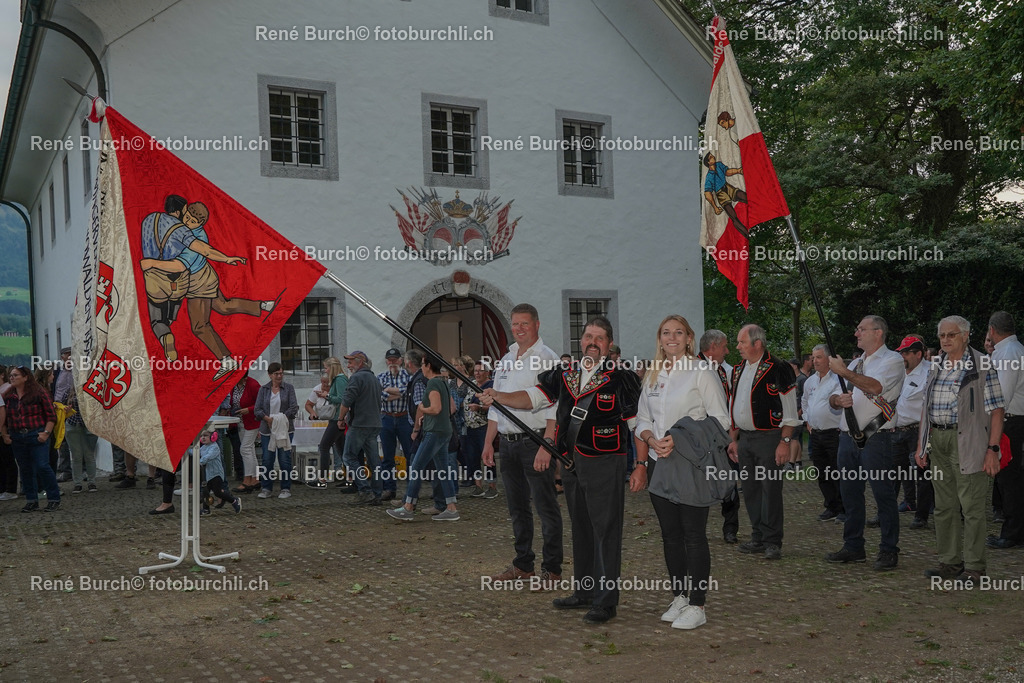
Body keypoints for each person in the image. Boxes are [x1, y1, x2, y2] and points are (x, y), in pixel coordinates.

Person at [481, 316, 642, 624]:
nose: (592, 342)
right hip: (571, 463)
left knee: (605, 532)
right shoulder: (564, 373)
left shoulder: (622, 378)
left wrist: (641, 465)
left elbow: (636, 423)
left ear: (608, 345)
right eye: (588, 337)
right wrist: (498, 396)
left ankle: (606, 602)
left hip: (606, 462)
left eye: (599, 338)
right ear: (581, 342)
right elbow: (533, 398)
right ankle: (584, 591)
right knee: (581, 528)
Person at [630, 315, 730, 630]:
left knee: (694, 535)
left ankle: (698, 605)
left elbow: (722, 420)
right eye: (665, 333)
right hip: (660, 464)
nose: (671, 337)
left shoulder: (701, 372)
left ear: (689, 338)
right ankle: (680, 597)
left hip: (692, 464)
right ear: (659, 339)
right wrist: (649, 440)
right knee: (670, 536)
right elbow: (642, 418)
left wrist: (680, 438)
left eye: (678, 332)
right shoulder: (652, 374)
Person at [139, 199, 274, 380]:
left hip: (198, 284)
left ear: (200, 224)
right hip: (205, 277)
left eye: (193, 221)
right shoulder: (183, 229)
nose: (187, 222)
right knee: (224, 306)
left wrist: (151, 263)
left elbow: (182, 265)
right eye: (186, 217)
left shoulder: (195, 237)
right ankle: (264, 305)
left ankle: (226, 360)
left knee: (200, 326)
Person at [480, 304, 562, 588]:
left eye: (524, 324)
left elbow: (555, 405)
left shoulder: (548, 359)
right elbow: (495, 405)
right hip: (509, 443)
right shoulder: (505, 359)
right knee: (517, 509)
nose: (519, 329)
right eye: (515, 324)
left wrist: (547, 446)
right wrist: (490, 442)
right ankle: (522, 565)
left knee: (545, 507)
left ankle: (552, 569)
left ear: (537, 325)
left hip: (536, 441)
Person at [917, 316, 1004, 583]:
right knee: (943, 507)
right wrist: (921, 445)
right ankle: (949, 563)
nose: (945, 340)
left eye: (951, 335)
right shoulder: (936, 364)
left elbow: (997, 410)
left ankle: (975, 568)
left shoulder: (983, 364)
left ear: (966, 335)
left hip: (969, 441)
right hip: (938, 440)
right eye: (942, 335)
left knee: (972, 507)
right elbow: (926, 407)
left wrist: (993, 449)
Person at [824, 316, 905, 571]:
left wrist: (843, 371)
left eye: (862, 329)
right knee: (850, 494)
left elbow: (876, 386)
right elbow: (834, 398)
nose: (856, 333)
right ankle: (853, 546)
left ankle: (889, 550)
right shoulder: (858, 362)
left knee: (884, 494)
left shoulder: (892, 360)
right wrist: (837, 401)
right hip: (847, 437)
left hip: (876, 436)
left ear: (878, 333)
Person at [727, 324, 799, 560]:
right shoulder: (737, 370)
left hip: (770, 438)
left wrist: (785, 441)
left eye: (741, 342)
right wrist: (734, 440)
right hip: (745, 439)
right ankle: (758, 536)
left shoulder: (779, 368)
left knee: (770, 490)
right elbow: (734, 407)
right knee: (750, 490)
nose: (737, 347)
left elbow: (790, 411)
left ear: (757, 344)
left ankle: (772, 541)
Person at [387, 354, 460, 521]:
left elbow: (435, 408)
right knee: (442, 470)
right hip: (443, 430)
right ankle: (451, 507)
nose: (421, 367)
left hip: (434, 432)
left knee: (416, 467)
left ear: (428, 365)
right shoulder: (443, 381)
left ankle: (408, 506)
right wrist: (428, 417)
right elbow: (448, 408)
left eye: (422, 364)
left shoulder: (433, 383)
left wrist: (422, 408)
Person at [697, 328, 739, 543]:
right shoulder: (692, 368)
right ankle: (695, 529)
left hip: (723, 436)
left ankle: (730, 528)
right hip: (700, 438)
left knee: (728, 481)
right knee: (698, 483)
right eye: (724, 346)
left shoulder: (724, 371)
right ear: (712, 347)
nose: (727, 350)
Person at [987, 311, 1024, 549]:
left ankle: (1013, 533)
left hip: (1010, 421)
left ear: (992, 329)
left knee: (1010, 481)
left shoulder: (1009, 353)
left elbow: (1002, 394)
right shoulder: (1013, 349)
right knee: (1010, 480)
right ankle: (1014, 530)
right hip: (1012, 420)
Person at [2, 367, 59, 512]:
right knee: (25, 469)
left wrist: (46, 433)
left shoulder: (39, 392)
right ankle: (31, 500)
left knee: (42, 466)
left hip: (36, 434)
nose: (12, 378)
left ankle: (53, 498)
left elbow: (51, 415)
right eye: (11, 376)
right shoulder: (8, 396)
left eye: (15, 375)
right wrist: (5, 433)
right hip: (17, 436)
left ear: (25, 377)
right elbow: (4, 417)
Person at [892, 335, 932, 530]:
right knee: (892, 474)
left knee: (922, 475)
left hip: (918, 431)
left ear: (918, 354)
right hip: (897, 430)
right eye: (901, 352)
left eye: (906, 353)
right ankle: (886, 513)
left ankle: (921, 515)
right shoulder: (899, 372)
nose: (903, 356)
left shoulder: (929, 373)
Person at [802, 344, 844, 521]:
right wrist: (807, 420)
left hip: (834, 433)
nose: (814, 361)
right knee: (822, 472)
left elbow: (841, 402)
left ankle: (844, 508)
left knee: (837, 472)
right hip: (816, 434)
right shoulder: (810, 381)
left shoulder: (838, 380)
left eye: (819, 357)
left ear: (828, 359)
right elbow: (804, 401)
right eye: (813, 357)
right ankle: (831, 506)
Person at [338, 351, 384, 506]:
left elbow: (346, 401)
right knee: (374, 460)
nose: (349, 366)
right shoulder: (374, 378)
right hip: (374, 423)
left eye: (351, 362)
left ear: (360, 362)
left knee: (349, 457)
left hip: (360, 424)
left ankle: (365, 490)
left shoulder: (357, 378)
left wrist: (340, 418)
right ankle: (377, 494)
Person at [254, 363, 298, 499]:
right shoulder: (264, 390)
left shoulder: (288, 388)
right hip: (268, 429)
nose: (279, 376)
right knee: (267, 459)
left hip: (285, 428)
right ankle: (266, 487)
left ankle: (285, 488)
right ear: (270, 375)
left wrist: (282, 418)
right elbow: (257, 409)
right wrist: (267, 418)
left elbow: (294, 407)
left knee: (284, 459)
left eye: (281, 373)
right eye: (276, 374)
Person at [377, 347, 414, 501]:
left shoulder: (408, 376)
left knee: (410, 455)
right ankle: (389, 488)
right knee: (387, 456)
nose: (392, 362)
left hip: (404, 418)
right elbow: (382, 396)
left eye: (395, 360)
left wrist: (390, 391)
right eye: (389, 360)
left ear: (401, 360)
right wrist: (397, 392)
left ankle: (411, 489)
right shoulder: (381, 376)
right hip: (386, 418)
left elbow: (406, 392)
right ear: (386, 361)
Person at [220, 370, 261, 493]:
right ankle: (255, 479)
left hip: (252, 421)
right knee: (250, 450)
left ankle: (247, 480)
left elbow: (262, 403)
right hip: (240, 422)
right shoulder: (233, 385)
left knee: (245, 449)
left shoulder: (253, 385)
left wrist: (248, 409)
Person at [464, 360, 496, 497]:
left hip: (484, 426)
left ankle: (492, 487)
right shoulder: (471, 386)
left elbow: (495, 406)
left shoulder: (491, 386)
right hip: (470, 426)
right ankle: (478, 486)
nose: (477, 373)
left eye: (480, 371)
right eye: (475, 370)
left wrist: (479, 408)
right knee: (473, 457)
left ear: (487, 373)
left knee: (487, 458)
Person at [317, 357, 347, 487]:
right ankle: (350, 478)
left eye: (326, 367)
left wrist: (327, 396)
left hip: (337, 418)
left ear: (332, 367)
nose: (325, 370)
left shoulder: (339, 379)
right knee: (342, 449)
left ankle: (322, 478)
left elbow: (341, 398)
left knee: (324, 446)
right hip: (338, 418)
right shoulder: (340, 379)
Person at [198, 429, 241, 515]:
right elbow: (196, 452)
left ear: (213, 437)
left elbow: (208, 456)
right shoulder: (203, 448)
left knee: (217, 492)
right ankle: (206, 509)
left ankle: (233, 500)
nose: (203, 438)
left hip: (216, 474)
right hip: (207, 474)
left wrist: (200, 461)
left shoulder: (215, 447)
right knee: (205, 491)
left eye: (205, 436)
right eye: (202, 436)